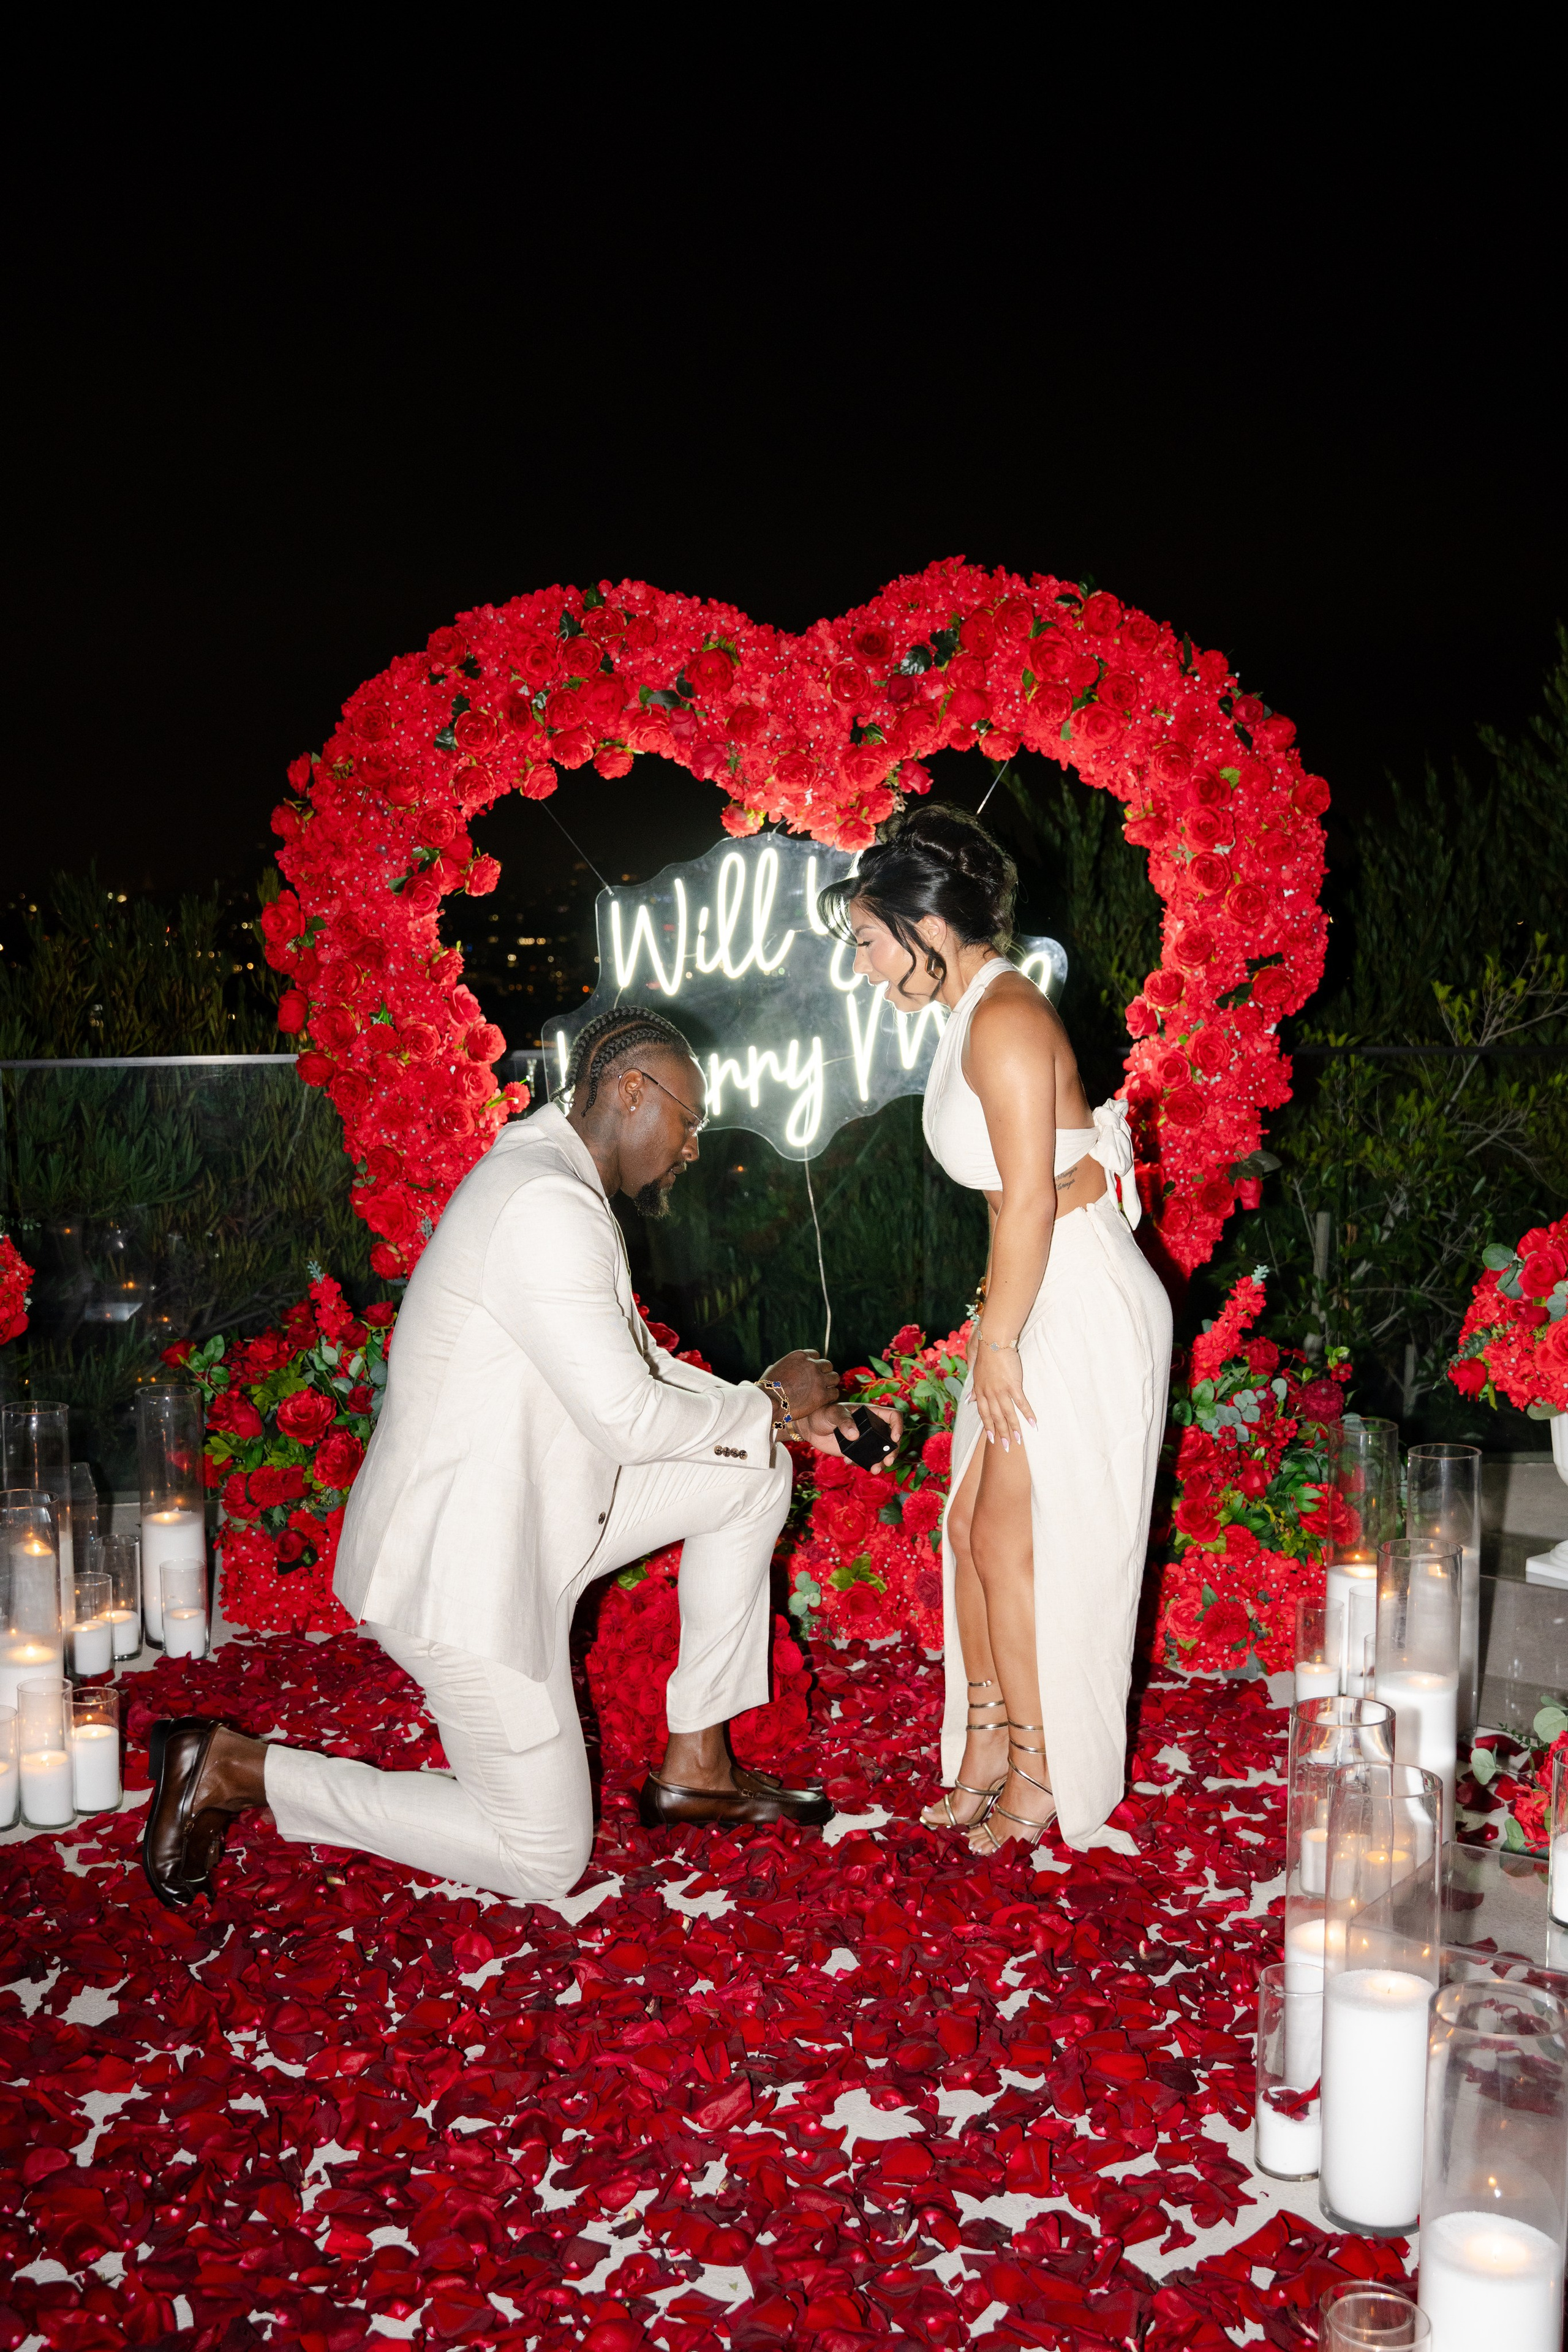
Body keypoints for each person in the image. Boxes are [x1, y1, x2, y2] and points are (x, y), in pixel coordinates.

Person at [142, 1007, 897, 1909]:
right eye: (690, 1121)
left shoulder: (554, 1181)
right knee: (544, 1858)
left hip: (540, 1515)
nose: (695, 1146)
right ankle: (232, 1770)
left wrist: (774, 1427)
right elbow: (627, 1417)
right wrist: (768, 1402)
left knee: (748, 1475)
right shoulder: (544, 1203)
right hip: (465, 1573)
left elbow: (643, 1371)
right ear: (631, 1091)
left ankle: (698, 1764)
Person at [820, 805, 1170, 1855]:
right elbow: (1012, 1203)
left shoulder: (1009, 1017)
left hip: (1076, 1297)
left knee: (1014, 1544)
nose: (870, 968)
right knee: (970, 1531)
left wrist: (1002, 1339)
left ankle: (1044, 1766)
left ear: (926, 924)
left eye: (874, 942)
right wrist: (997, 1320)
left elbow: (1029, 1199)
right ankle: (985, 1746)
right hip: (1032, 1288)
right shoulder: (970, 1010)